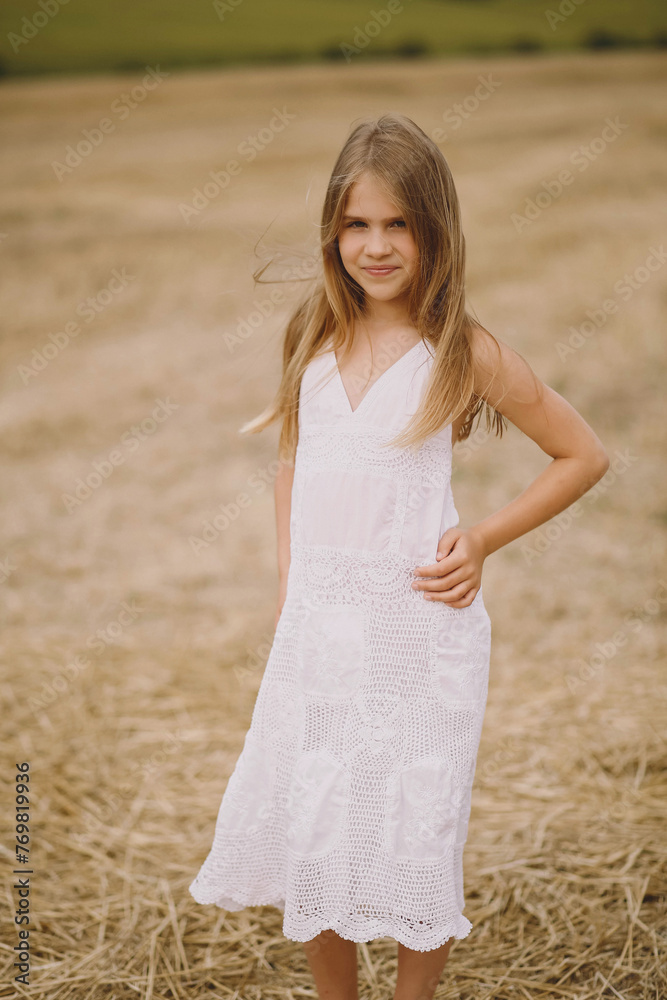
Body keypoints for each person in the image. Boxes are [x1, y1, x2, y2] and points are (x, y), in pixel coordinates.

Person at [189, 113, 610, 1000]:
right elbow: (292, 463)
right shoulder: (313, 335)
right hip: (322, 632)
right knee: (318, 822)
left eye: (397, 225)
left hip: (419, 633)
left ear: (434, 230)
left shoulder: (462, 350)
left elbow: (582, 454)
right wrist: (288, 581)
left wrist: (484, 537)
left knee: (413, 831)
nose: (375, 246)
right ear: (331, 231)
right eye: (356, 225)